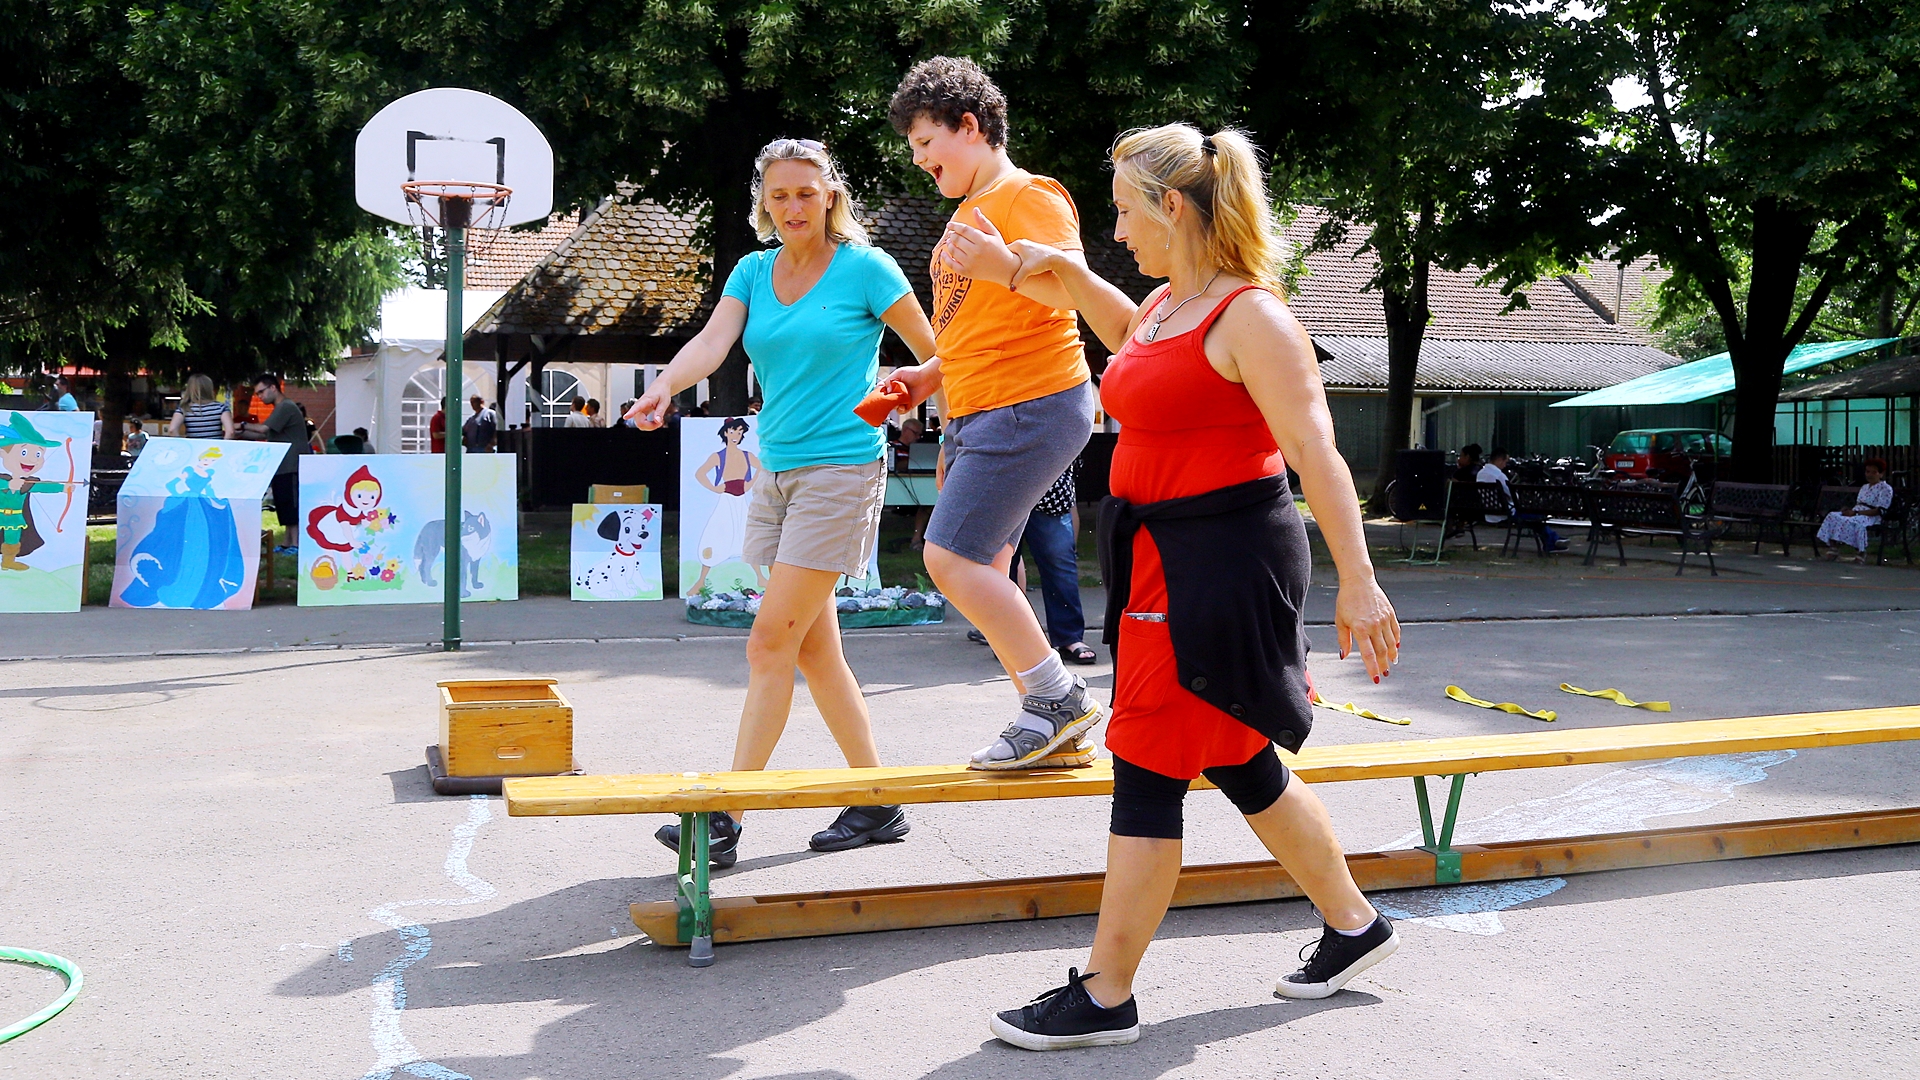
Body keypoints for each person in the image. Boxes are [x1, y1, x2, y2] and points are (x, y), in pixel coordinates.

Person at [970, 123, 1403, 1051]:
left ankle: (1107, 993)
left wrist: (1360, 581)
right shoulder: (1171, 303)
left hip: (1215, 568)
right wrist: (1058, 276)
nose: (1118, 231)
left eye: (1125, 211)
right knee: (1240, 760)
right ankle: (1358, 926)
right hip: (1160, 563)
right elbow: (1138, 348)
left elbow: (1317, 456)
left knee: (1148, 762)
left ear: (1173, 206)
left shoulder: (1254, 317)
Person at [624, 136, 941, 864]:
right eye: (779, 194)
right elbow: (712, 342)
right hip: (777, 472)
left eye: (806, 192)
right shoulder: (753, 269)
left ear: (831, 193)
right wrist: (664, 386)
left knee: (769, 642)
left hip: (841, 471)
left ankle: (727, 815)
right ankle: (876, 798)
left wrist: (907, 392)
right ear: (763, 201)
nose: (793, 206)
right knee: (815, 652)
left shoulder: (865, 268)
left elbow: (939, 348)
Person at [885, 55, 1102, 771]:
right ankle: (1046, 720)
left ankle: (1057, 699)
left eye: (924, 143)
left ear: (969, 126)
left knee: (950, 559)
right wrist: (930, 379)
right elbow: (979, 325)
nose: (919, 161)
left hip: (1032, 399)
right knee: (990, 566)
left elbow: (1071, 291)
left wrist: (1002, 264)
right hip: (982, 408)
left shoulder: (1027, 196)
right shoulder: (966, 215)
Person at [1017, 462, 1094, 664]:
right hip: (1002, 481)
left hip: (1050, 482)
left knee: (1060, 562)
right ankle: (1009, 637)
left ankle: (1069, 637)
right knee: (1002, 565)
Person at [688, 417, 764, 593]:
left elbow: (762, 467)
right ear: (725, 433)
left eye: (739, 432)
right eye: (733, 431)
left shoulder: (747, 455)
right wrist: (715, 488)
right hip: (727, 499)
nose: (736, 435)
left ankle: (760, 577)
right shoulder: (718, 456)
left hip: (741, 499)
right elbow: (700, 473)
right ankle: (700, 581)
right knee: (715, 535)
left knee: (749, 534)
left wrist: (750, 483)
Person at [240, 374, 305, 555]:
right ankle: (287, 542)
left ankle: (297, 543)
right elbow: (263, 436)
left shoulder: (286, 407)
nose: (259, 397)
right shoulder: (280, 408)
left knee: (292, 506)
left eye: (261, 392)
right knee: (284, 504)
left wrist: (242, 425)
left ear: (273, 388)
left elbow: (263, 429)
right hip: (282, 465)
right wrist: (236, 433)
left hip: (292, 465)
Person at [1478, 446, 1564, 550]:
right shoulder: (1499, 475)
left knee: (1533, 516)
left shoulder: (1480, 474)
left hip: (1490, 512)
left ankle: (1553, 539)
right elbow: (1512, 494)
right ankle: (1553, 540)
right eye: (1505, 461)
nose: (1505, 465)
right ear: (1500, 460)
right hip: (1506, 512)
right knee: (1536, 515)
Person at [1818, 457, 1894, 563]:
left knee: (1855, 522)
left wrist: (1856, 513)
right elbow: (1859, 504)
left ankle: (1861, 551)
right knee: (1833, 516)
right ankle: (1833, 547)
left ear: (1881, 474)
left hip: (1871, 516)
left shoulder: (1885, 489)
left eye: (1874, 472)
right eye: (1867, 472)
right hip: (1856, 512)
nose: (1870, 475)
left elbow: (1879, 510)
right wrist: (1849, 510)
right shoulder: (1864, 487)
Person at [168, 375, 235, 440]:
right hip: (215, 450)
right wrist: (222, 447)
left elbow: (172, 430)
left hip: (194, 450)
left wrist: (183, 445)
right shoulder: (221, 408)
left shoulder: (184, 409)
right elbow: (230, 432)